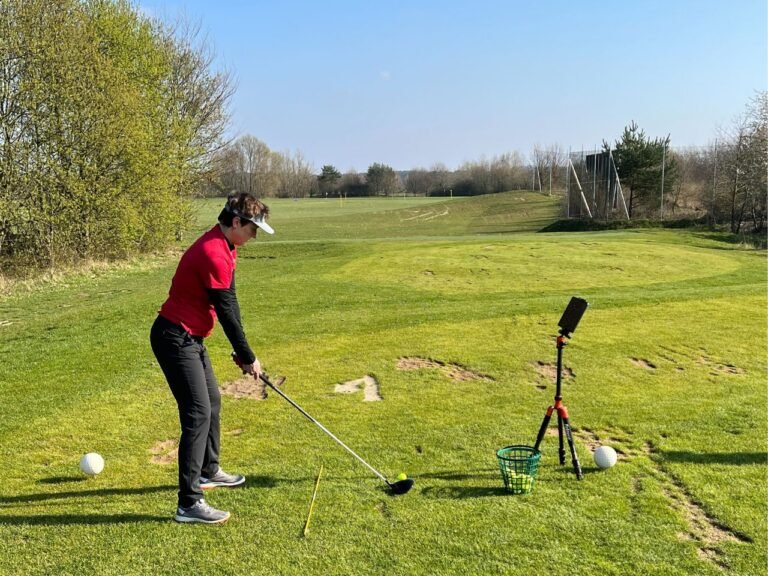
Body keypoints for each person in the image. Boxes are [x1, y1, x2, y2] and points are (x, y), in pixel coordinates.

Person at [150, 192, 274, 524]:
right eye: (252, 229)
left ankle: (208, 470)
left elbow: (229, 300)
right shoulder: (212, 252)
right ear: (235, 222)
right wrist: (247, 355)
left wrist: (242, 352)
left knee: (212, 403)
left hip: (191, 337)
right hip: (175, 338)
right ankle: (189, 503)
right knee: (198, 413)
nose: (254, 236)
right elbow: (227, 311)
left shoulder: (227, 247)